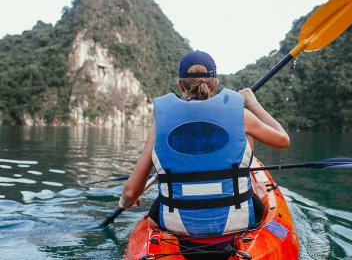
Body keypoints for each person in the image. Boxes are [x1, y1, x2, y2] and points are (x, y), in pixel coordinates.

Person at [119, 50, 289, 238]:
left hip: (176, 227)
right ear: (215, 84)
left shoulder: (160, 124)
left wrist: (126, 200)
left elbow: (131, 190)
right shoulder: (242, 115)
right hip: (238, 222)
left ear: (180, 85)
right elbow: (283, 140)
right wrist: (253, 104)